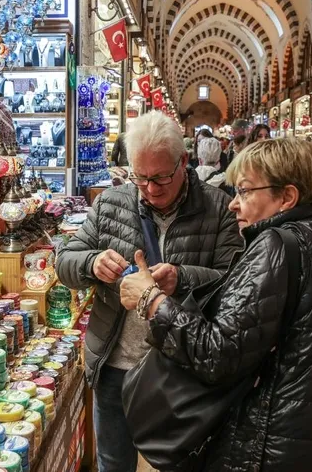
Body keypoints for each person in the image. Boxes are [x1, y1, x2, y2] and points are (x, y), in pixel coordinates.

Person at [119, 138, 312, 471]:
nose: (233, 204)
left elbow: (219, 354)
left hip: (277, 443)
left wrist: (151, 301)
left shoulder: (277, 244)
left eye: (245, 191)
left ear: (287, 197)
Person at [56, 110, 244, 472]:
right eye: (140, 178)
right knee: (114, 462)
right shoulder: (111, 202)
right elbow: (64, 260)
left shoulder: (218, 207)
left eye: (161, 178)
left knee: (182, 464)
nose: (151, 189)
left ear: (183, 161)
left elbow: (234, 281)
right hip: (115, 365)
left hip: (182, 370)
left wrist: (181, 278)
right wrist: (91, 263)